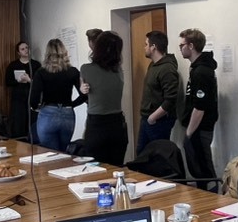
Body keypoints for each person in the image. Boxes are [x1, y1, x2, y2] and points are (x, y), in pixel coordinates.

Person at [177, 28, 219, 188]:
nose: (180, 48)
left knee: (204, 169)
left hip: (200, 128)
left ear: (191, 46)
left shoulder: (201, 71)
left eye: (182, 45)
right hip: (196, 127)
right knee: (197, 168)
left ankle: (212, 197)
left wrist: (189, 133)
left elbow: (200, 107)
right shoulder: (196, 68)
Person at [79, 30, 127, 166]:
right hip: (117, 124)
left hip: (97, 125)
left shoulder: (86, 69)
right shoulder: (119, 71)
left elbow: (86, 88)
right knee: (116, 167)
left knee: (95, 168)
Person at [29, 39, 83, 152]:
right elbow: (84, 95)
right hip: (67, 114)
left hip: (48, 113)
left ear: (47, 54)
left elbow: (34, 97)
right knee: (63, 152)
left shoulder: (41, 72)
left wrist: (35, 107)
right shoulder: (73, 71)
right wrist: (71, 105)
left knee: (49, 153)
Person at [136, 30, 179, 153]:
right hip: (146, 119)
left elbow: (170, 99)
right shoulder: (153, 65)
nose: (144, 47)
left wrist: (153, 118)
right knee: (141, 155)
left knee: (158, 156)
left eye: (146, 44)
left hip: (159, 122)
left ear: (153, 47)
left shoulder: (167, 69)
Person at [3, 41, 41, 139]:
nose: (26, 50)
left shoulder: (36, 65)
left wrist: (29, 80)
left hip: (32, 98)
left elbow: (40, 83)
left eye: (27, 48)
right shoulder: (13, 65)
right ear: (18, 52)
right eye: (22, 49)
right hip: (18, 99)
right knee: (18, 123)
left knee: (32, 122)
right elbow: (7, 82)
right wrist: (18, 81)